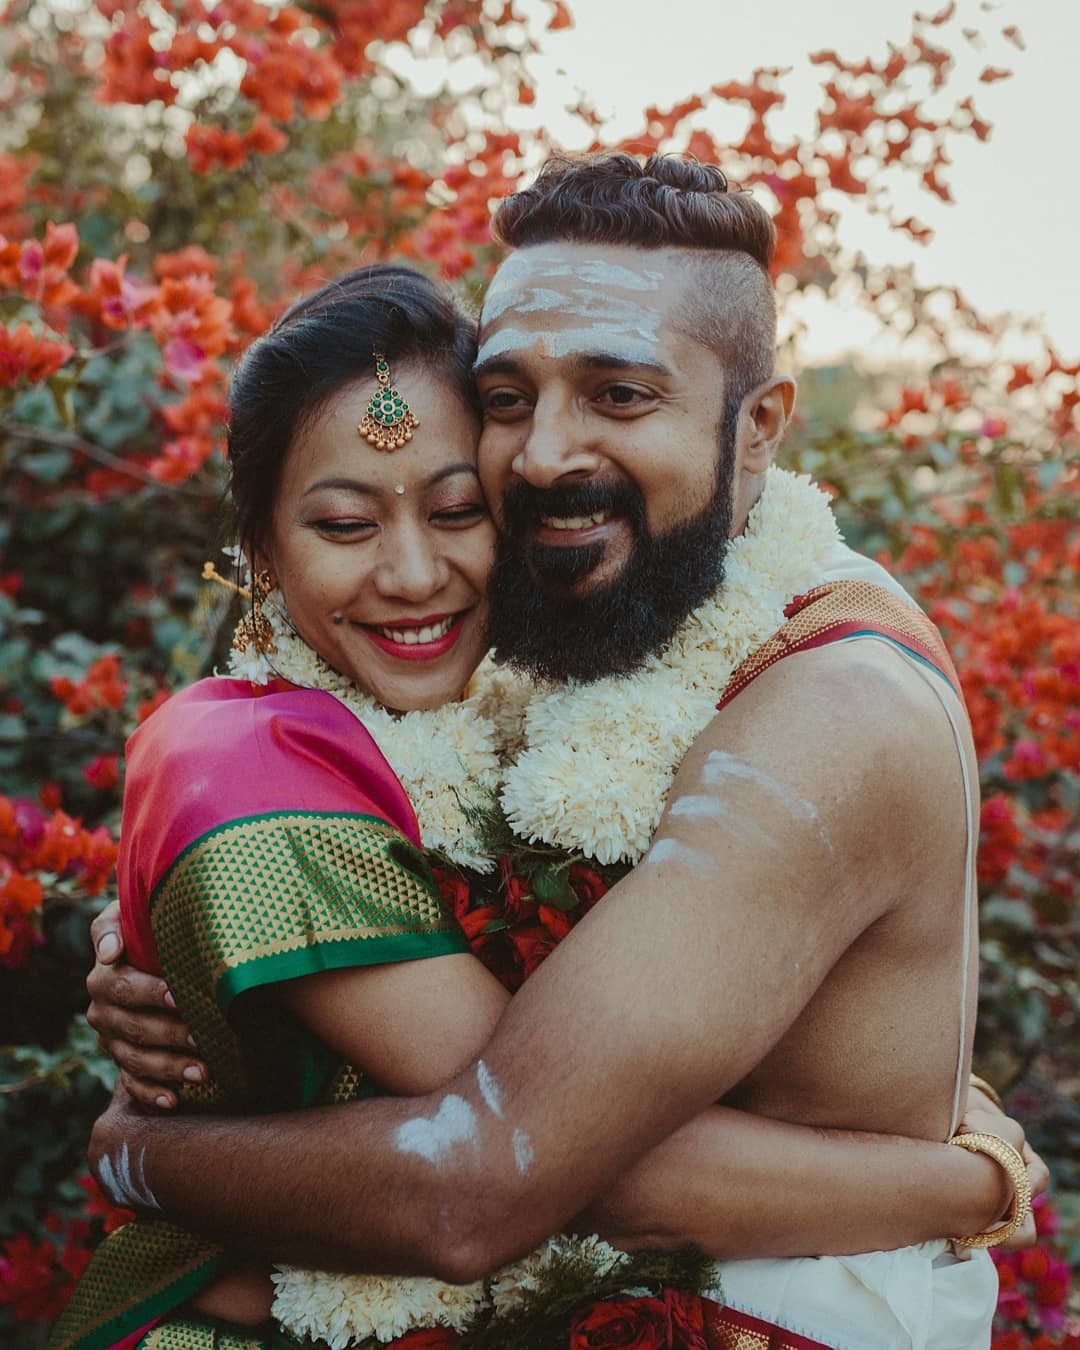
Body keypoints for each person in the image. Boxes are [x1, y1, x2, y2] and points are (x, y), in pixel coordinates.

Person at [76, 158, 1039, 1350]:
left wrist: (136, 1151)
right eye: (510, 397)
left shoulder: (831, 708)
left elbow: (500, 1167)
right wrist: (170, 929)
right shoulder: (584, 623)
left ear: (761, 431)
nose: (540, 456)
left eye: (621, 394)